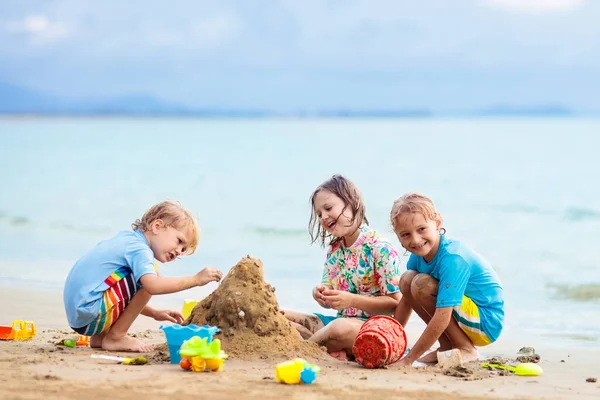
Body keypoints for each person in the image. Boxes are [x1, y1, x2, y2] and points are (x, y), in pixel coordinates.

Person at [63, 200, 223, 352]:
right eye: (179, 241)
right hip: (90, 313)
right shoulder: (140, 250)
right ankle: (116, 337)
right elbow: (152, 285)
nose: (178, 251)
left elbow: (118, 294)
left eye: (183, 249)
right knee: (151, 277)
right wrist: (196, 279)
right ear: (157, 226)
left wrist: (154, 313)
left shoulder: (126, 239)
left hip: (82, 315)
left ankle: (100, 337)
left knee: (140, 277)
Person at [284, 175, 402, 360]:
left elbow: (395, 304)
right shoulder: (335, 250)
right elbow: (330, 293)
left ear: (351, 202)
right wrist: (322, 294)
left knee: (339, 329)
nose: (323, 217)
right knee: (283, 316)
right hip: (338, 322)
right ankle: (327, 349)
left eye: (328, 208)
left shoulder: (380, 248)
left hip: (373, 328)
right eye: (319, 213)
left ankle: (306, 349)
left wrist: (351, 300)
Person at [390, 193, 504, 365]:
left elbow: (443, 316)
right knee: (407, 280)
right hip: (464, 314)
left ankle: (465, 348)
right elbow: (407, 300)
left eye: (421, 229)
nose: (416, 240)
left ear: (437, 223)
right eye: (406, 234)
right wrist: (390, 338)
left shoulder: (452, 259)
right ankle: (447, 346)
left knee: (421, 285)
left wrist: (409, 360)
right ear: (398, 237)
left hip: (486, 321)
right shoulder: (418, 256)